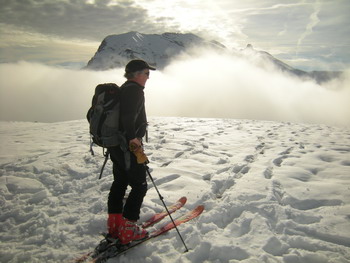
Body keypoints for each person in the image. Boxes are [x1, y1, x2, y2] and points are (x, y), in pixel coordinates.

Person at [107, 59, 156, 245]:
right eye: (146, 73)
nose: (148, 77)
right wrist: (133, 140)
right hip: (127, 145)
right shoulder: (134, 90)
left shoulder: (124, 88)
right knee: (139, 184)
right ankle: (128, 230)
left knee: (120, 182)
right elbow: (128, 116)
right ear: (137, 74)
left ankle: (115, 224)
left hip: (116, 144)